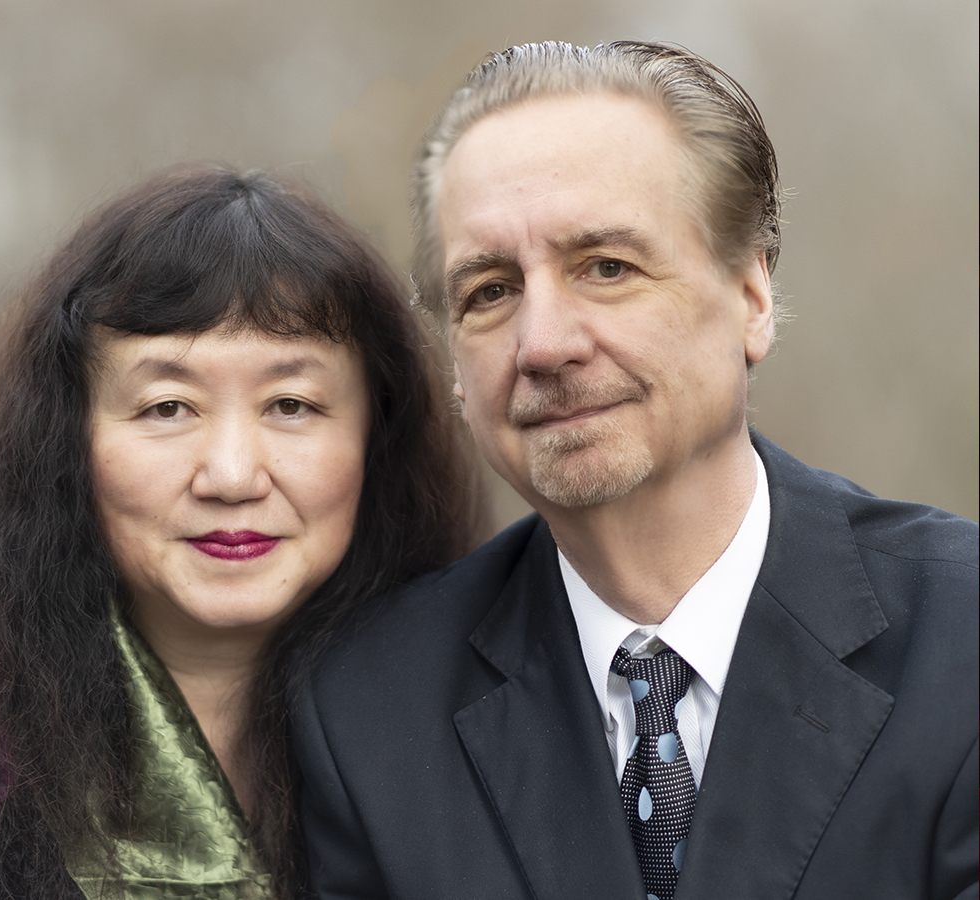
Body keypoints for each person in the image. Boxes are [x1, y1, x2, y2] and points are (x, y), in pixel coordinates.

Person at [292, 41, 979, 900]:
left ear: (750, 297)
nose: (543, 344)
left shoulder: (960, 641)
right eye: (490, 291)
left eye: (607, 268)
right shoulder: (372, 714)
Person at [0, 165, 479, 899]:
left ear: (378, 435)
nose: (233, 475)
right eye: (168, 407)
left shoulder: (476, 723)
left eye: (291, 404)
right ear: (66, 440)